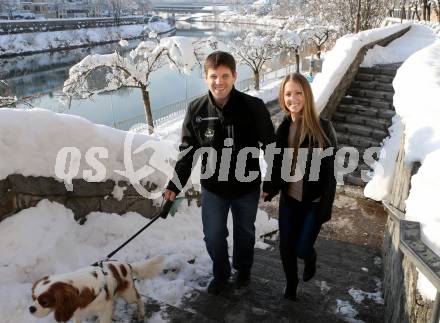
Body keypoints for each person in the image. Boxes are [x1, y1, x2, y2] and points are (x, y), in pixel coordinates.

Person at [164, 51, 275, 295]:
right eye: (214, 76)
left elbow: (271, 146)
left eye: (225, 75)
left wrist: (272, 180)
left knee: (245, 234)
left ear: (234, 76)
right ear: (205, 77)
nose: (219, 82)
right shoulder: (196, 109)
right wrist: (174, 184)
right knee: (213, 236)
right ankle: (221, 274)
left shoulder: (253, 107)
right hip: (213, 188)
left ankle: (243, 271)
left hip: (246, 187)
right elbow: (188, 152)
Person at [262, 73, 338, 301]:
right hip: (289, 200)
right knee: (285, 247)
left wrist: (326, 207)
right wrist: (270, 187)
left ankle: (310, 257)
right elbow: (276, 164)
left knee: (302, 249)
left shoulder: (323, 128)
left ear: (307, 94)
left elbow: (329, 174)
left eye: (298, 92)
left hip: (313, 204)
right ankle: (291, 283)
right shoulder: (283, 128)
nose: (293, 98)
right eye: (288, 94)